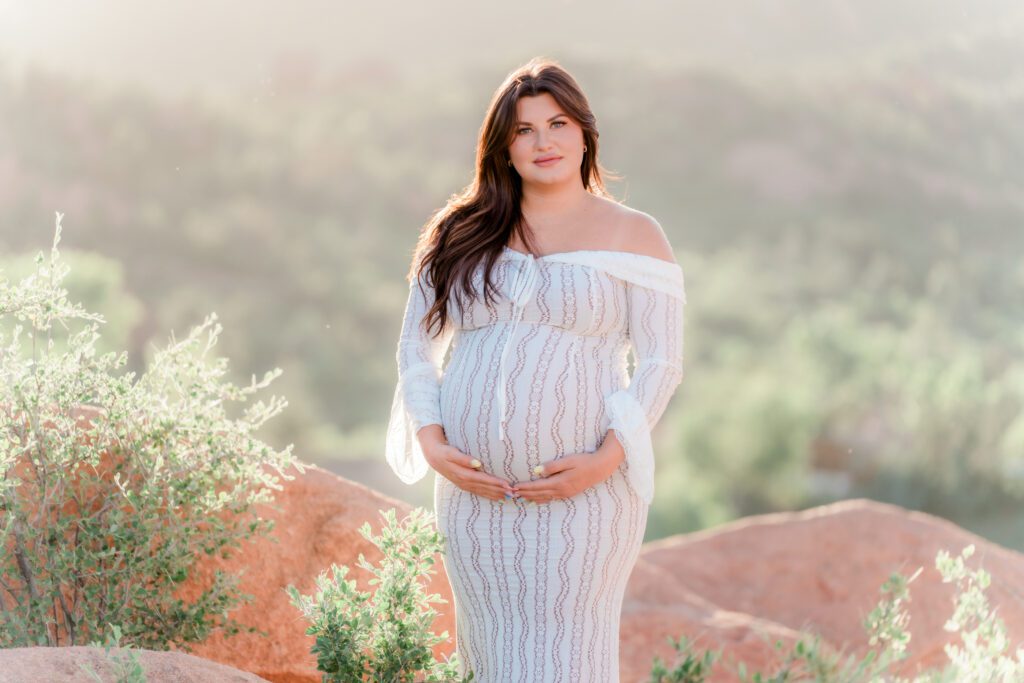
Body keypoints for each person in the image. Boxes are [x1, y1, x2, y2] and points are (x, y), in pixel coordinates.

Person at [385, 56, 686, 682]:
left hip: (587, 495)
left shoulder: (635, 234)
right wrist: (432, 443)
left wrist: (606, 460)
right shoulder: (461, 231)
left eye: (557, 124)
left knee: (565, 659)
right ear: (503, 146)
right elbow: (416, 347)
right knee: (491, 658)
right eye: (524, 130)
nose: (543, 142)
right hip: (474, 501)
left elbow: (662, 362)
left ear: (584, 133)